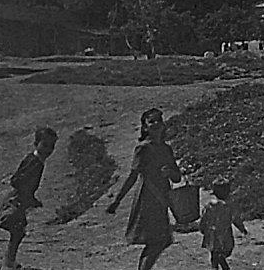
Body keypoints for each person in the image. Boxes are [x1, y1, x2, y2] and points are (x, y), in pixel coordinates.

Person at [106, 108, 181, 270]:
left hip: (162, 200)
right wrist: (117, 201)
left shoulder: (167, 149)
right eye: (151, 121)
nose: (156, 124)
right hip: (147, 200)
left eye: (158, 120)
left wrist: (170, 171)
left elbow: (177, 177)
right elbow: (133, 176)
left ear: (163, 125)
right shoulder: (143, 149)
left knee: (161, 240)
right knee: (158, 240)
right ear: (145, 127)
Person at [0, 126, 58, 270]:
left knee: (18, 232)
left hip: (22, 200)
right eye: (44, 145)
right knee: (17, 231)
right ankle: (8, 263)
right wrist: (26, 196)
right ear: (36, 144)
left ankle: (9, 261)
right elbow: (19, 181)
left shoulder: (36, 161)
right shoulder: (34, 162)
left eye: (51, 146)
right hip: (19, 201)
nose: (48, 150)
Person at [199, 178, 247, 270]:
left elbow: (204, 218)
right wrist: (242, 228)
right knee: (227, 249)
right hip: (225, 232)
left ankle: (216, 266)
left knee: (214, 252)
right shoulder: (229, 206)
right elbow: (236, 219)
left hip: (212, 233)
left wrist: (202, 228)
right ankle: (222, 261)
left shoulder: (209, 206)